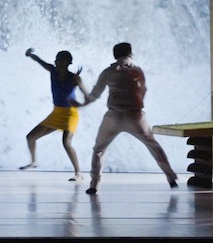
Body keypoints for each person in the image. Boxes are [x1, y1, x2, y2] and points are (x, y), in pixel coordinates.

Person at [71, 42, 178, 194]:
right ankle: (171, 177)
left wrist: (81, 103)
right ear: (130, 53)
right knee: (153, 145)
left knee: (99, 149)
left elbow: (94, 95)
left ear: (115, 55)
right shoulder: (138, 70)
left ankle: (94, 184)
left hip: (113, 116)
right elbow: (143, 91)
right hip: (136, 117)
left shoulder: (108, 71)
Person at [19, 48, 90, 181]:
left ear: (67, 62)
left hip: (70, 114)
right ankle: (33, 162)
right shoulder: (53, 70)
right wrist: (30, 55)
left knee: (66, 143)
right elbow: (39, 61)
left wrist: (80, 104)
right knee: (30, 137)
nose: (56, 62)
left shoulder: (75, 78)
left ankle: (78, 173)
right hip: (56, 112)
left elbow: (88, 96)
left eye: (59, 60)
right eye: (56, 59)